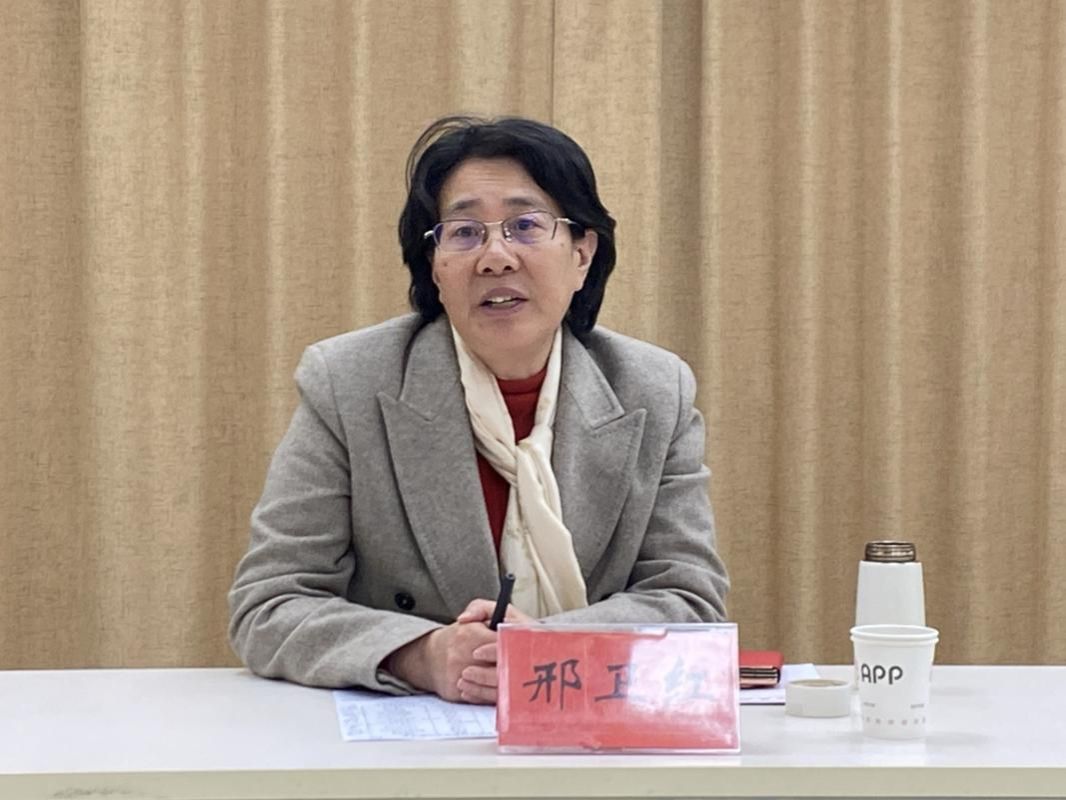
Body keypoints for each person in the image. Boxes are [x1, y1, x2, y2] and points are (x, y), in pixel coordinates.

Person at [228, 115, 729, 705]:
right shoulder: (349, 383)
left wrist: (543, 651)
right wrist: (423, 655)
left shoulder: (654, 390)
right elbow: (270, 604)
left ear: (582, 253)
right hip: (414, 732)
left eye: (525, 225)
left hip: (591, 715)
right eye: (464, 232)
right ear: (434, 265)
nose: (495, 257)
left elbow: (690, 600)